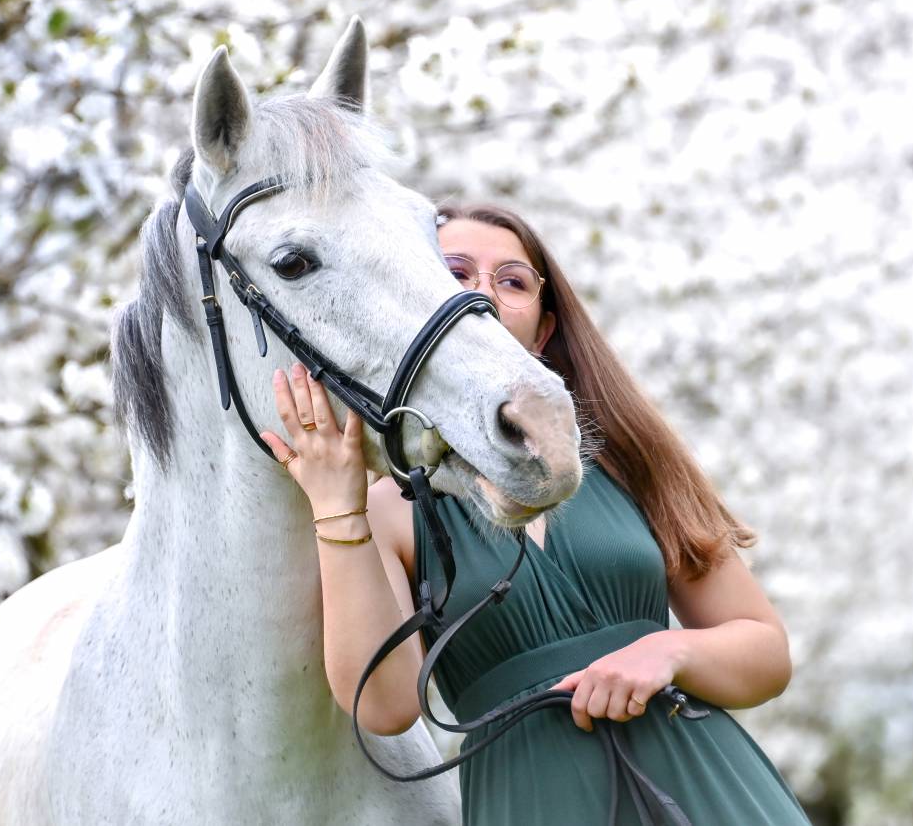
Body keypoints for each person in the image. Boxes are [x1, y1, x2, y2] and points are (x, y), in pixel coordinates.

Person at [259, 203, 811, 824]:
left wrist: (666, 652)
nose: (483, 293)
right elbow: (384, 708)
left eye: (513, 280)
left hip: (712, 788)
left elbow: (765, 655)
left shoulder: (630, 463)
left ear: (544, 331)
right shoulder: (388, 509)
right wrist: (336, 506)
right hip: (533, 800)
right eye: (455, 271)